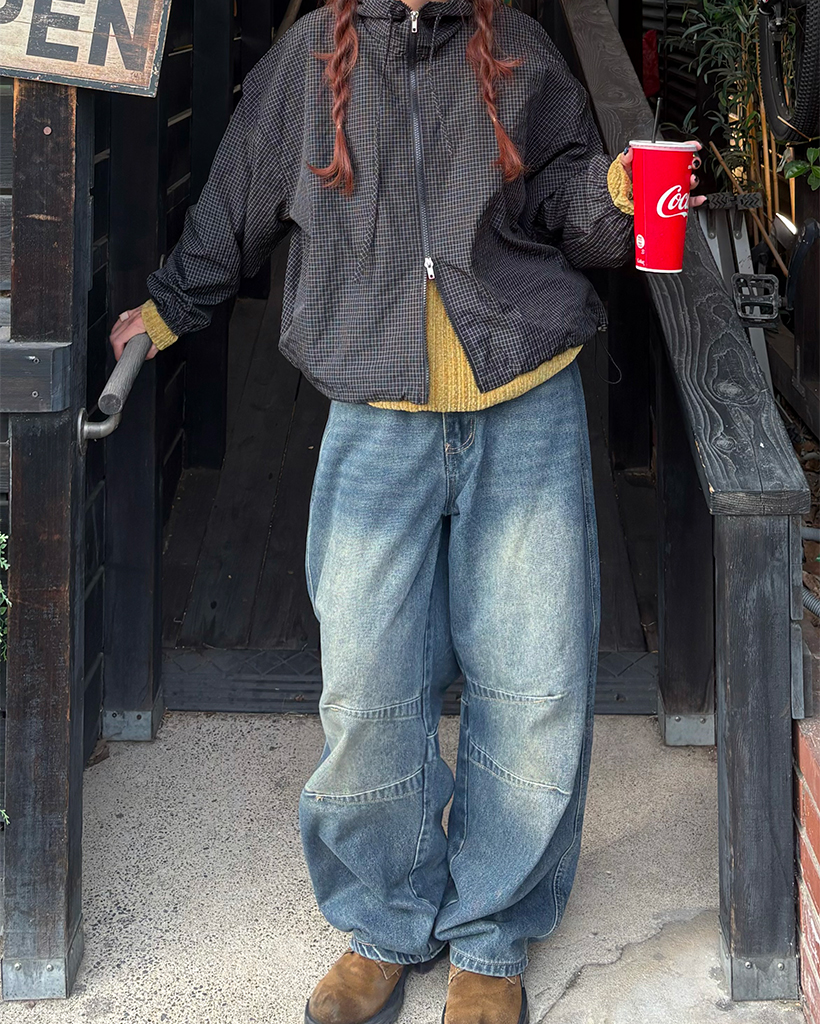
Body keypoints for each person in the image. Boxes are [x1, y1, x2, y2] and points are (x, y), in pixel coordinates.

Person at [110, 0, 703, 1019]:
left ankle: (491, 937)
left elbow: (566, 204)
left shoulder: (517, 46)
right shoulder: (307, 61)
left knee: (533, 681)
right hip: (375, 416)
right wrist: (165, 308)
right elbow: (233, 202)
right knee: (365, 685)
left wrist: (615, 192)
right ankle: (383, 920)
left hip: (525, 400)